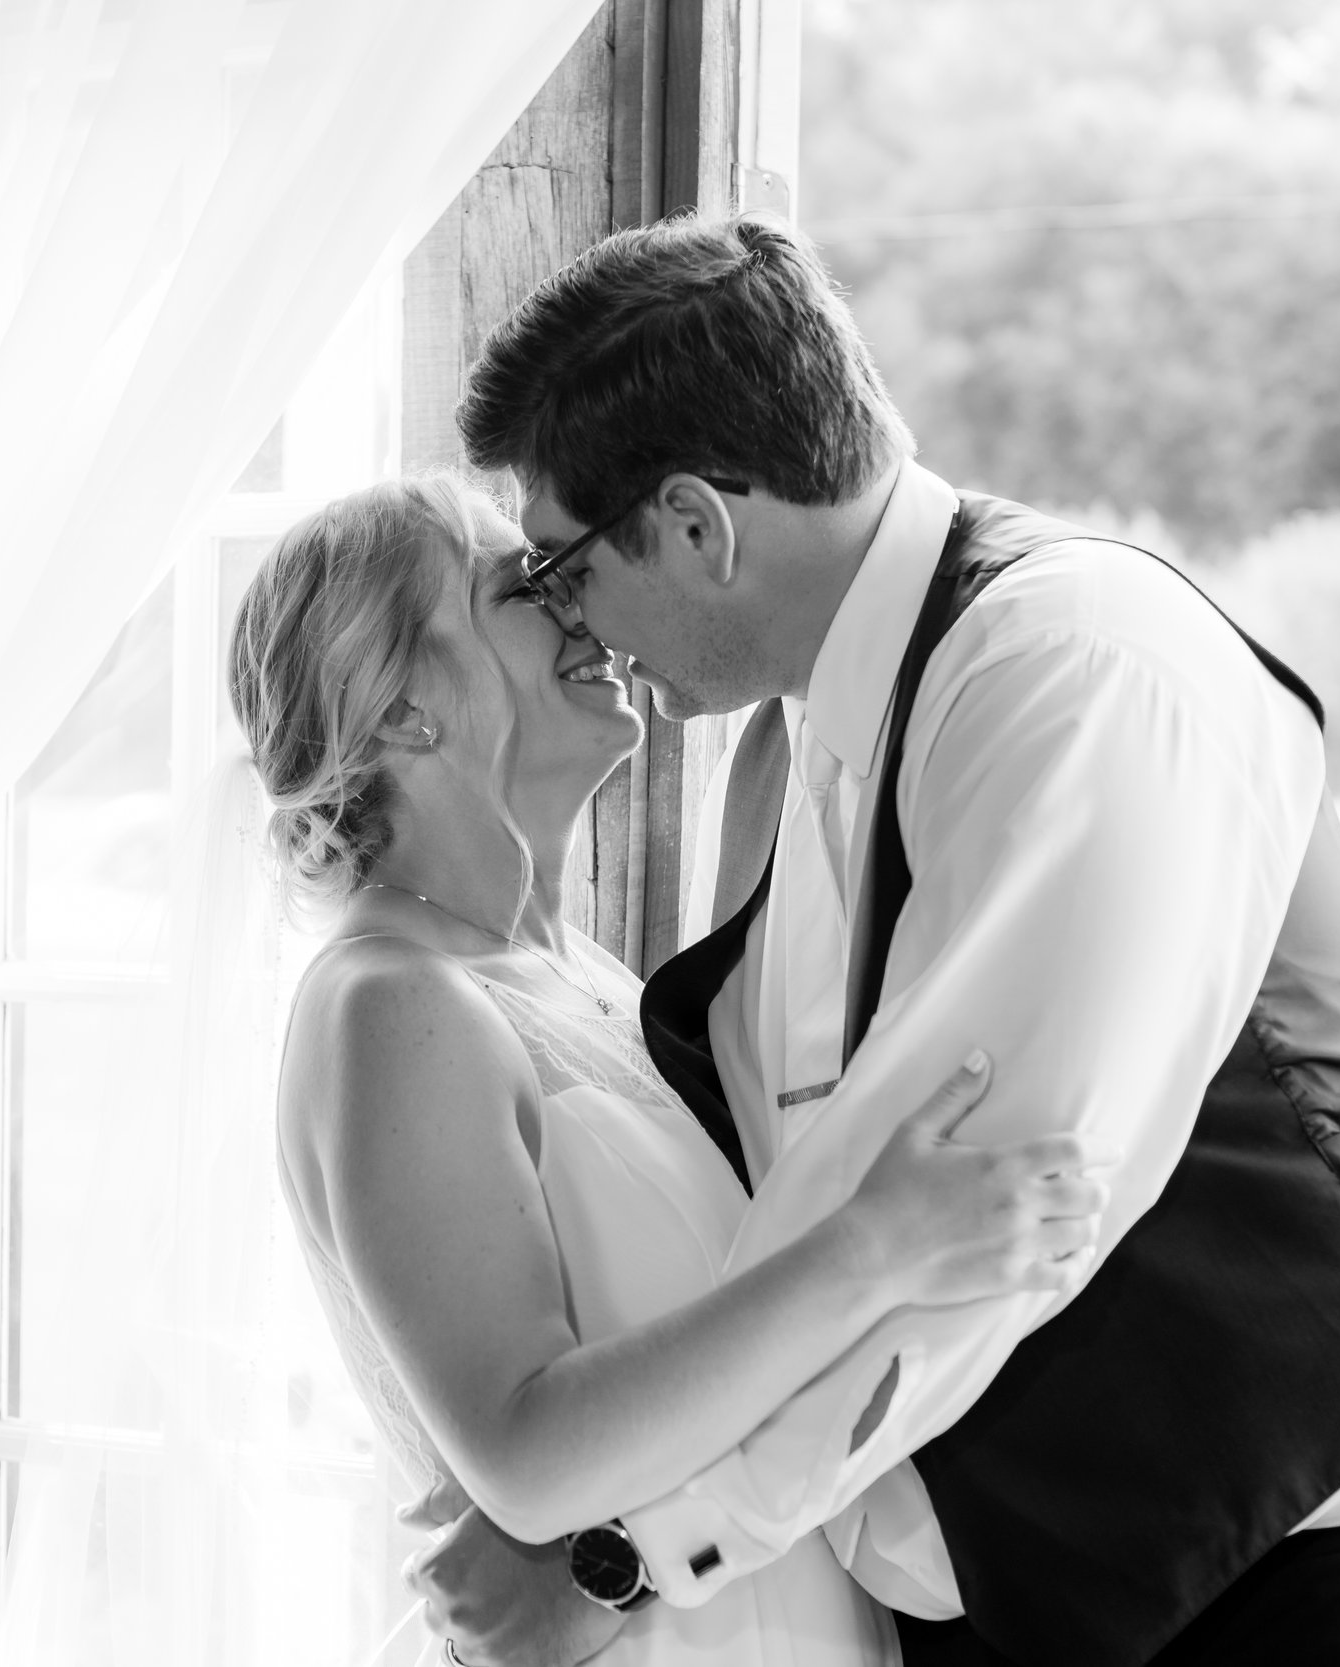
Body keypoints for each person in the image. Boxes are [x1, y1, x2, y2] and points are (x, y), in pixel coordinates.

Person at [413, 212, 1340, 1666]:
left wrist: (627, 1558)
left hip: (1328, 1597)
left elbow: (989, 1217)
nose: (572, 625)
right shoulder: (799, 744)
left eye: (561, 568)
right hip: (1071, 1598)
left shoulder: (1073, 671)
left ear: (698, 526)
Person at [229, 474, 1117, 1666]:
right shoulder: (390, 1007)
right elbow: (529, 1455)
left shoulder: (574, 974)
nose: (582, 610)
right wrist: (875, 1241)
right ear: (401, 713)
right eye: (519, 589)